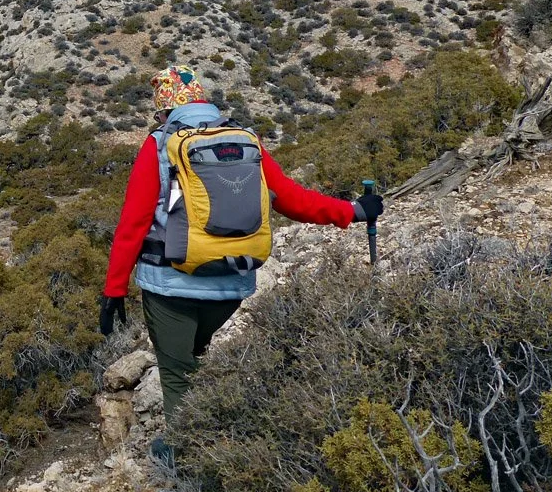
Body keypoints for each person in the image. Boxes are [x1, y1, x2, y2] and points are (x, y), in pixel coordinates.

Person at [98, 65, 384, 467]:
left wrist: (114, 289)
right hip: (232, 283)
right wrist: (353, 211)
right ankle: (211, 423)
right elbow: (290, 198)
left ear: (162, 110)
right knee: (194, 355)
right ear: (203, 100)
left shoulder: (160, 144)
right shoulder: (246, 139)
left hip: (171, 284)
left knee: (178, 375)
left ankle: (186, 459)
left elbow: (133, 222)